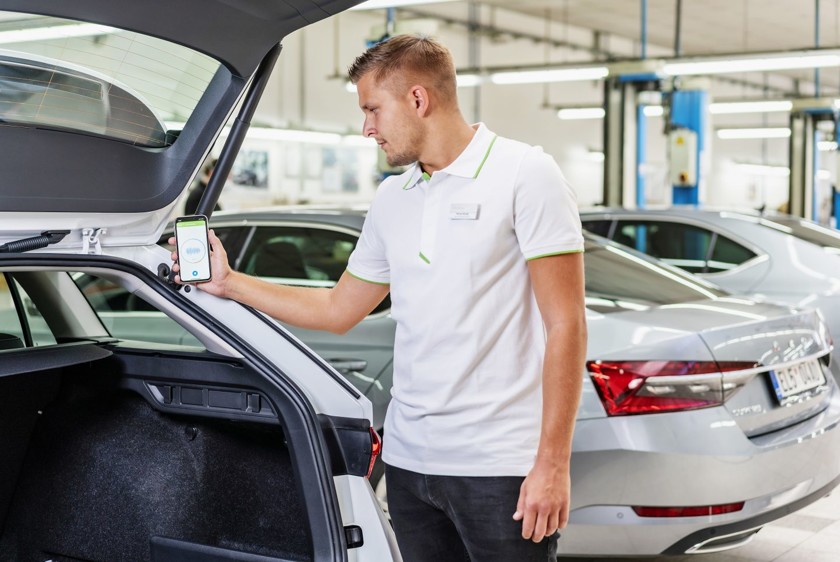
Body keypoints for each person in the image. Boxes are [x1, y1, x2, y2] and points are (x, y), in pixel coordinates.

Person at [171, 34, 586, 562]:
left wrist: (553, 462)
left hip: (498, 467)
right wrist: (229, 283)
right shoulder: (393, 197)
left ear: (418, 99)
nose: (366, 128)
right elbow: (337, 310)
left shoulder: (525, 174)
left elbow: (566, 325)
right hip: (410, 466)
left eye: (372, 109)